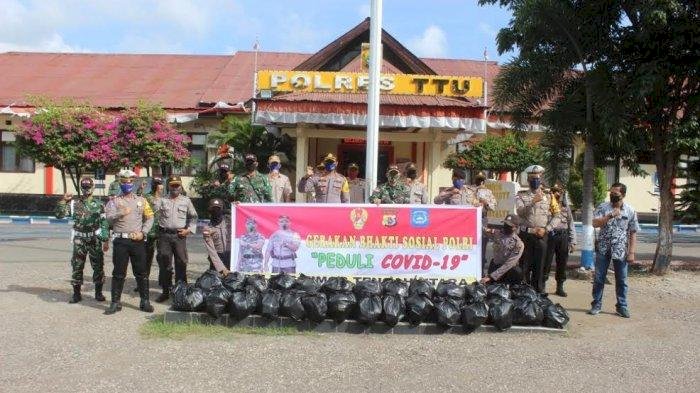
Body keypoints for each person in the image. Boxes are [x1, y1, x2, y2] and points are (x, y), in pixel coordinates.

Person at [104, 169, 155, 314]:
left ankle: (145, 302)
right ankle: (115, 302)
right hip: (121, 241)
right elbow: (108, 218)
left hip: (137, 241)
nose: (127, 184)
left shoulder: (141, 200)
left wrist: (143, 232)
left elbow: (150, 217)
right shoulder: (114, 201)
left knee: (141, 272)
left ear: (134, 183)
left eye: (130, 181)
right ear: (120, 182)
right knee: (119, 272)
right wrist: (120, 212)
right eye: (124, 181)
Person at [55, 177, 110, 303]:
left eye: (89, 186)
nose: (87, 189)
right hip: (79, 239)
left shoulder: (99, 204)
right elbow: (59, 215)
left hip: (94, 239)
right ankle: (76, 294)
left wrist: (106, 240)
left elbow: (104, 223)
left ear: (93, 187)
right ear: (81, 188)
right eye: (84, 187)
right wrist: (64, 200)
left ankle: (98, 293)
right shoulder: (74, 204)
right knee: (77, 266)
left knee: (98, 266)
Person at [589, 182, 639, 318]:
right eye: (611, 193)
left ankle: (622, 306)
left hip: (621, 250)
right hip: (603, 248)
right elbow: (594, 223)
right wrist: (609, 216)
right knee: (599, 278)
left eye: (615, 194)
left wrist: (631, 252)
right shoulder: (603, 207)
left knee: (622, 279)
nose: (612, 196)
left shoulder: (630, 210)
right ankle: (596, 304)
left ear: (623, 195)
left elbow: (633, 232)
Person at [151, 175, 198, 303]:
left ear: (181, 186)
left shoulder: (186, 201)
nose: (175, 187)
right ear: (168, 186)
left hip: (179, 236)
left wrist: (188, 230)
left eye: (177, 185)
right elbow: (152, 211)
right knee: (165, 264)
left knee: (181, 263)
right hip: (164, 236)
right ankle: (166, 292)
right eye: (172, 185)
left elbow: (194, 217)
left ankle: (180, 292)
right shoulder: (162, 200)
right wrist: (157, 194)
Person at [515, 165, 554, 293]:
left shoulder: (549, 196)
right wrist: (533, 201)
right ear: (528, 180)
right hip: (526, 235)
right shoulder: (521, 195)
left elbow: (557, 215)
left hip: (542, 235)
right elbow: (520, 212)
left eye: (537, 178)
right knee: (524, 264)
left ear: (541, 179)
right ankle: (524, 290)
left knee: (540, 265)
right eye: (532, 178)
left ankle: (538, 290)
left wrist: (547, 229)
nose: (535, 181)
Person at [544, 184, 576, 297]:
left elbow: (571, 224)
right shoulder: (546, 206)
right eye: (554, 191)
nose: (557, 194)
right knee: (546, 261)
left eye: (559, 192)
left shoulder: (565, 208)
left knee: (562, 262)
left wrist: (573, 241)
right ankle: (542, 285)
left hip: (563, 236)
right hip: (549, 236)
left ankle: (560, 287)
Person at [480, 214, 524, 285]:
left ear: (515, 227)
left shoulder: (518, 244)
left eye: (509, 226)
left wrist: (492, 276)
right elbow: (482, 229)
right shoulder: (497, 233)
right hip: (495, 265)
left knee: (517, 271)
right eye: (505, 224)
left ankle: (513, 290)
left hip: (508, 271)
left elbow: (509, 264)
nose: (506, 227)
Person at [469, 172, 497, 272]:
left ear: (484, 181)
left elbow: (493, 207)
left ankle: (480, 272)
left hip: (482, 219)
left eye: (481, 180)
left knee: (482, 246)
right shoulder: (469, 190)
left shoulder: (488, 192)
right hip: (470, 220)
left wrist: (486, 203)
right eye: (478, 179)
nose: (480, 182)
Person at [202, 198, 231, 276]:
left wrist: (238, 207)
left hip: (231, 258)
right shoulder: (207, 229)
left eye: (218, 209)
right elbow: (212, 251)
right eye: (213, 209)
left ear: (222, 210)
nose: (216, 212)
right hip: (217, 261)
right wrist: (222, 268)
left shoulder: (230, 223)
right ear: (209, 211)